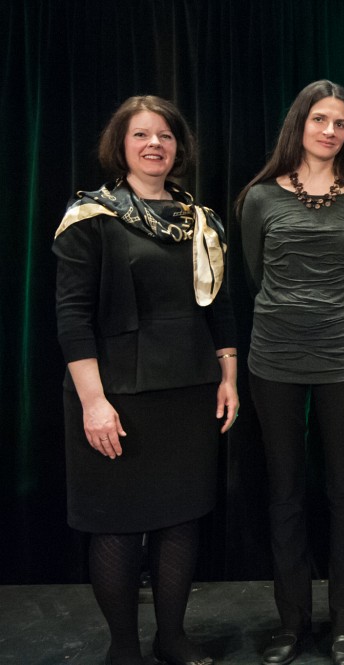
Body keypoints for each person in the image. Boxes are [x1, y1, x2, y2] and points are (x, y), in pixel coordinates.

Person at [54, 95, 238, 665]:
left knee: (180, 520)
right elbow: (72, 317)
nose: (154, 144)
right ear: (122, 145)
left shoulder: (200, 221)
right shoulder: (92, 218)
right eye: (141, 135)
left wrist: (227, 377)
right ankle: (125, 647)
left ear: (178, 146)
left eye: (164, 135)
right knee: (117, 528)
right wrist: (93, 403)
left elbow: (222, 310)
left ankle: (173, 637)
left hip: (188, 392)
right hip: (116, 398)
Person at [236, 80, 344, 665]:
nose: (330, 131)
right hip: (273, 359)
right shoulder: (260, 197)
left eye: (340, 123)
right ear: (299, 123)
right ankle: (291, 624)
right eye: (320, 119)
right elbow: (254, 276)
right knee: (286, 493)